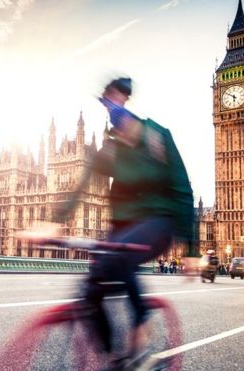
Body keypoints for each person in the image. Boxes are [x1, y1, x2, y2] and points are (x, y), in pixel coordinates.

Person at [48, 77, 196, 358]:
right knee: (90, 288)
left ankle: (141, 325)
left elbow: (182, 189)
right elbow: (81, 186)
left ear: (126, 101)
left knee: (122, 254)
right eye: (106, 103)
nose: (111, 108)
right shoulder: (111, 149)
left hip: (159, 222)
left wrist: (192, 250)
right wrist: (56, 220)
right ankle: (113, 358)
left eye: (115, 101)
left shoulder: (156, 136)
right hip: (123, 227)